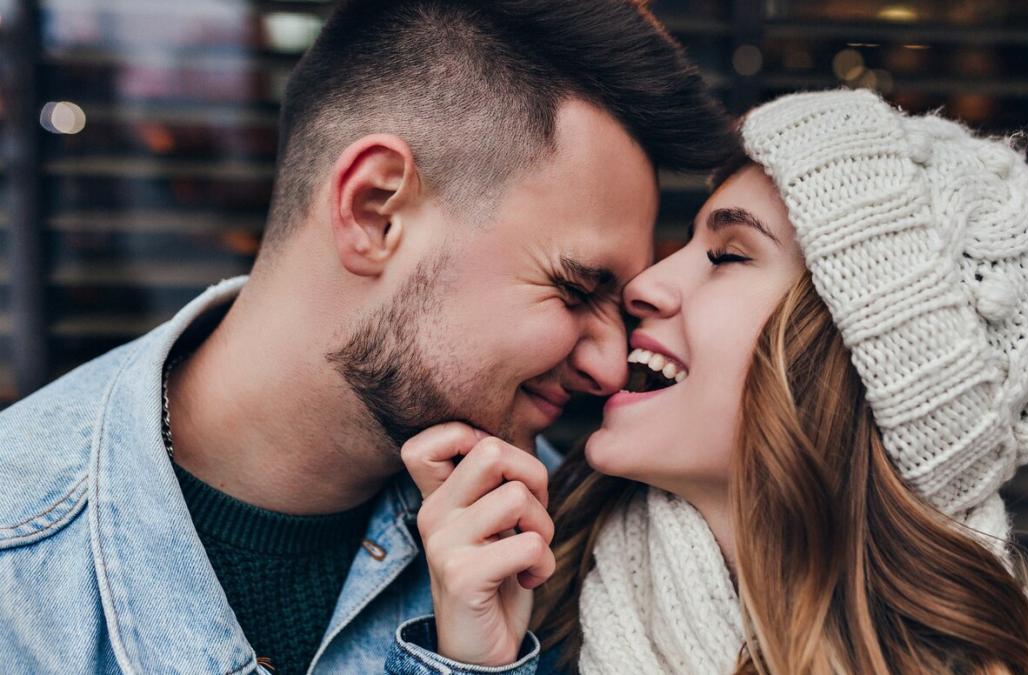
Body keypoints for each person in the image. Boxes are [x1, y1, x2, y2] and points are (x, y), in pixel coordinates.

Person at [0, 1, 737, 672]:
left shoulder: (573, 543)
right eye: (576, 289)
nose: (611, 365)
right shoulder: (20, 571)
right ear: (375, 210)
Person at [398, 89, 1028, 674]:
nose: (645, 283)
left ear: (860, 367)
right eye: (688, 242)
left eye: (729, 255)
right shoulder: (523, 586)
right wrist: (476, 665)